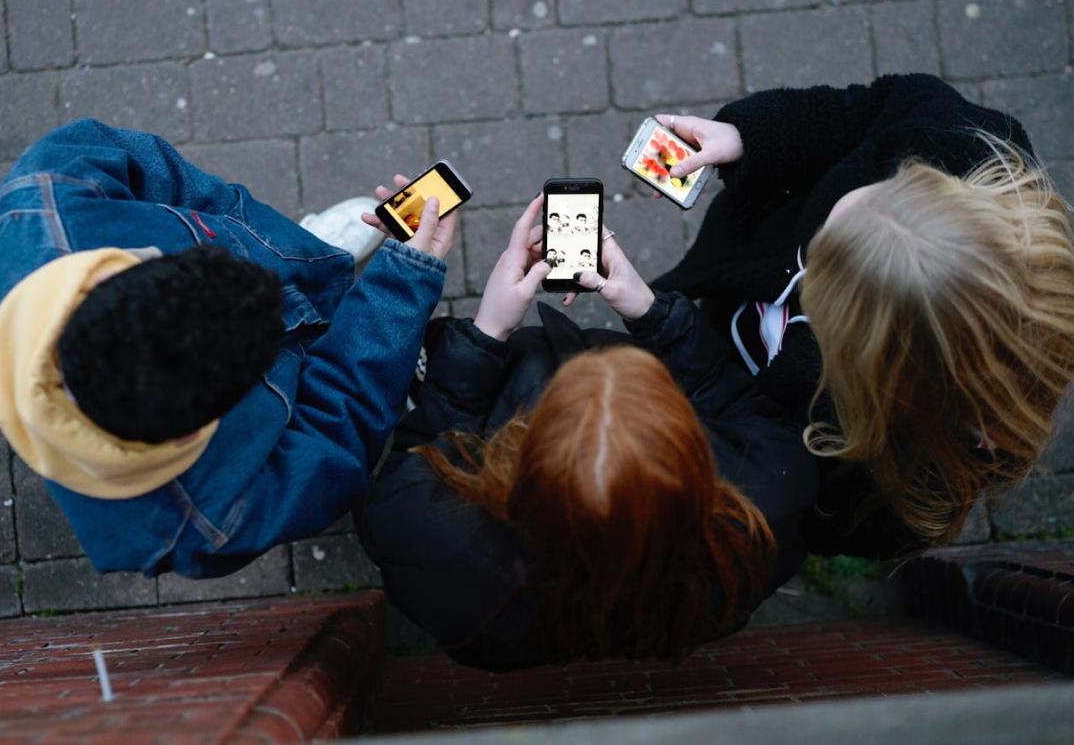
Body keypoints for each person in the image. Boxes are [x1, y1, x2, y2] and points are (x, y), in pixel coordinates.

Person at [0, 119, 455, 579]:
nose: (274, 291)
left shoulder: (43, 198)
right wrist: (401, 285)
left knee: (284, 258)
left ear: (112, 272)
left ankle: (307, 253)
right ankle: (346, 305)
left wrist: (239, 226)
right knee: (352, 350)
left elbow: (157, 169)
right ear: (191, 437)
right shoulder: (205, 524)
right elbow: (337, 428)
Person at [356, 196, 818, 671]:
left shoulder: (439, 547)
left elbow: (419, 453)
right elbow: (736, 404)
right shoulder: (766, 516)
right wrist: (650, 312)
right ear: (689, 444)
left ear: (526, 451)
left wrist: (486, 334)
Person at [650, 73, 1074, 558]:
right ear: (922, 183)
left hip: (717, 384)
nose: (815, 224)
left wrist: (660, 326)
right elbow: (867, 110)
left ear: (859, 350)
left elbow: (779, 490)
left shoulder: (886, 477)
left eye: (824, 258)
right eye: (874, 184)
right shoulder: (961, 144)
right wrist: (751, 136)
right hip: (722, 296)